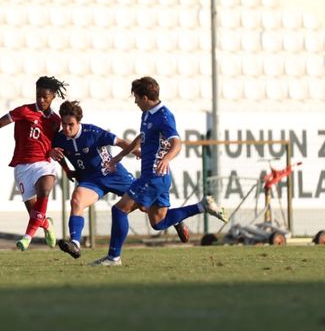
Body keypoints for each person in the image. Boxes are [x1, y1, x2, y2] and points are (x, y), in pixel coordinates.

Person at [93, 77, 228, 266]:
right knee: (158, 222)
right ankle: (202, 206)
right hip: (159, 177)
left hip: (154, 176)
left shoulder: (164, 116)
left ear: (146, 97)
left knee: (119, 210)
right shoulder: (147, 114)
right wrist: (121, 155)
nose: (135, 102)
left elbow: (177, 142)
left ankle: (113, 257)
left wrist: (166, 158)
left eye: (137, 98)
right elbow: (141, 137)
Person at [0, 76, 67, 251]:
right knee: (35, 215)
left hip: (44, 164)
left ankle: (26, 238)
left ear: (53, 96)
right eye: (38, 96)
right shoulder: (24, 111)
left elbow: (54, 144)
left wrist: (54, 154)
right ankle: (47, 225)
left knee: (45, 190)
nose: (41, 100)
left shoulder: (56, 120)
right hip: (22, 167)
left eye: (45, 96)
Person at [49, 100, 138, 259]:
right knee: (77, 200)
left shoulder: (93, 132)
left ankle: (175, 219)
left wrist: (137, 152)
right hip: (91, 181)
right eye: (64, 124)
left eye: (71, 124)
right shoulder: (60, 139)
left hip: (113, 174)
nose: (67, 128)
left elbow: (120, 142)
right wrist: (66, 168)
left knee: (147, 207)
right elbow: (58, 153)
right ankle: (75, 244)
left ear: (79, 122)